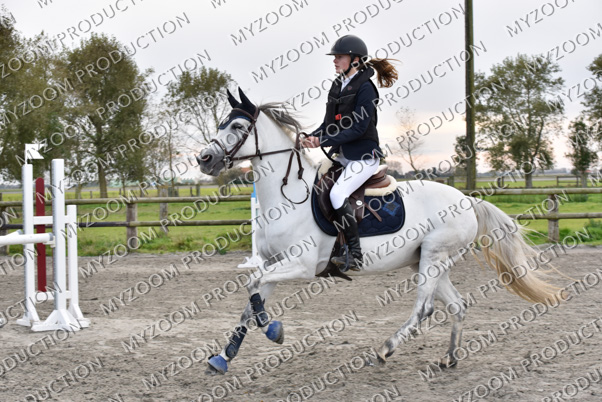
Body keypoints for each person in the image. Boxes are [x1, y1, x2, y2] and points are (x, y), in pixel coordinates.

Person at [302, 34, 399, 271]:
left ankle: (355, 253)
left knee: (337, 195)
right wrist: (309, 136)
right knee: (315, 185)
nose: (334, 60)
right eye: (335, 57)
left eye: (339, 57)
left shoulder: (366, 88)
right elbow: (327, 123)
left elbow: (358, 128)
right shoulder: (337, 85)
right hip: (343, 156)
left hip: (363, 157)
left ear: (355, 60)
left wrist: (323, 140)